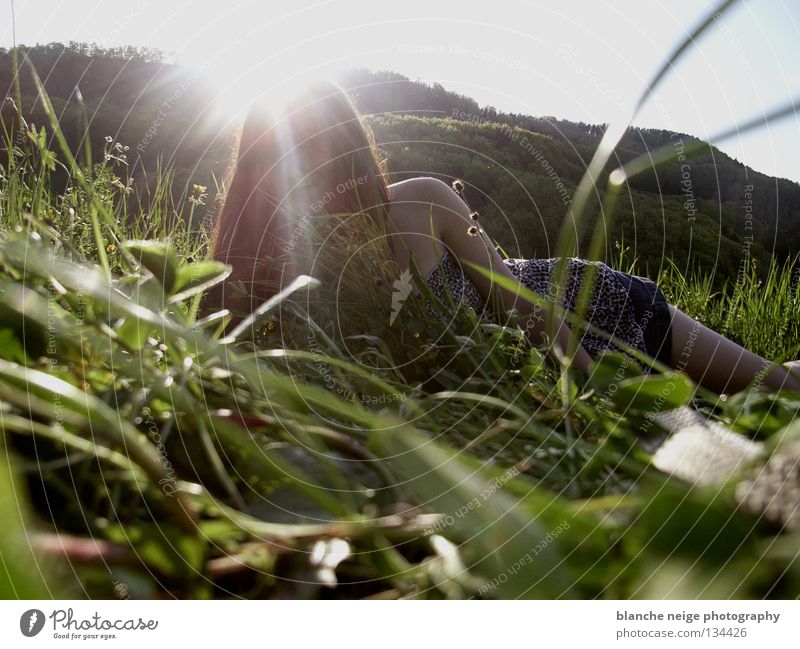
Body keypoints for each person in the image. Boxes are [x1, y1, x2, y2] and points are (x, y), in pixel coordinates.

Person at [202, 80, 800, 395]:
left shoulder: (418, 200)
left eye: (317, 139)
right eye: (279, 149)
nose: (301, 163)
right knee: (737, 422)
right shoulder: (260, 276)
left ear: (348, 144)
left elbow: (528, 309)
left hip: (591, 307)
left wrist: (589, 396)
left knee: (776, 393)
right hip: (525, 379)